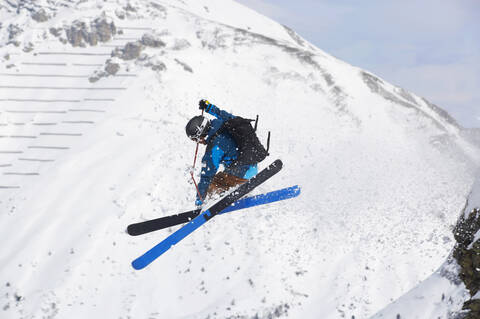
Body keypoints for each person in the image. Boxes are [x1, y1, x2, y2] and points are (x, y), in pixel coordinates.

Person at [186, 100, 265, 206]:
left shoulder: (214, 147)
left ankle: (210, 205)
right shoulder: (222, 123)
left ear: (200, 135)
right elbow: (225, 115)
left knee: (212, 187)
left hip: (242, 173)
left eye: (196, 140)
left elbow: (207, 175)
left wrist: (199, 199)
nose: (198, 143)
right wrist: (209, 107)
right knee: (219, 178)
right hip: (250, 162)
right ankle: (238, 188)